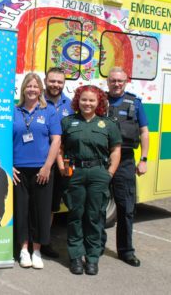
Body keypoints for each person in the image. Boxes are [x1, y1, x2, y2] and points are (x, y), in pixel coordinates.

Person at [61, 85, 121, 276]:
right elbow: (59, 147)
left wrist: (109, 173)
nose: (87, 103)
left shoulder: (108, 124)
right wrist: (62, 167)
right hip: (75, 173)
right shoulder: (68, 122)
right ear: (78, 101)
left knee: (95, 217)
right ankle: (76, 257)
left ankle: (93, 258)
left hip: (98, 173)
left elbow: (116, 150)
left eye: (91, 100)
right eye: (84, 100)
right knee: (75, 216)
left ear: (99, 103)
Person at [12, 72, 61, 269]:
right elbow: (3, 139)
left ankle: (37, 250)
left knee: (40, 211)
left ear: (40, 89)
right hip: (19, 170)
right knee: (22, 210)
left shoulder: (49, 111)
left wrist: (48, 167)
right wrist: (10, 165)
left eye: (35, 86)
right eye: (28, 86)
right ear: (23, 89)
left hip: (43, 170)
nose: (32, 89)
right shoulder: (13, 111)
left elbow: (56, 140)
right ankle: (24, 250)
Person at [103, 67, 149, 267]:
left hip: (127, 160)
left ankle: (126, 251)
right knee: (97, 207)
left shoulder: (135, 103)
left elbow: (144, 132)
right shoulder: (99, 100)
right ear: (107, 81)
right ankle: (97, 247)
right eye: (113, 80)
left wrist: (144, 159)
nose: (116, 84)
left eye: (120, 81)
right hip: (102, 159)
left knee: (126, 208)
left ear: (126, 82)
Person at [41, 67, 74, 258]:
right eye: (52, 81)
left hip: (58, 164)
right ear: (46, 81)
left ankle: (45, 241)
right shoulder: (36, 101)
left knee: (52, 205)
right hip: (37, 161)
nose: (56, 85)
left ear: (64, 84)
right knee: (35, 204)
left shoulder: (69, 106)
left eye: (59, 82)